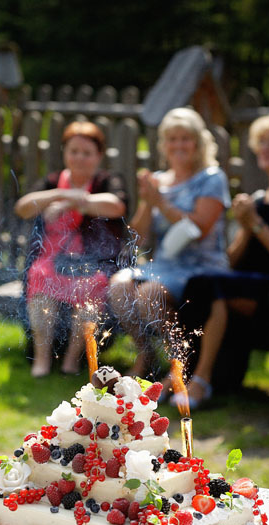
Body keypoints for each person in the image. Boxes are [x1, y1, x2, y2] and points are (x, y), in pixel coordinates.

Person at [176, 111, 269, 409]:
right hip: (250, 282)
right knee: (201, 285)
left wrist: (256, 223)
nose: (265, 149)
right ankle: (192, 375)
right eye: (262, 143)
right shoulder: (259, 198)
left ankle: (201, 379)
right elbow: (232, 262)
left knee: (212, 286)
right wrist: (247, 226)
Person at [109, 107, 231, 380]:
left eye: (185, 138)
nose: (178, 144)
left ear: (198, 142)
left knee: (148, 294)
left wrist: (160, 203)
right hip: (164, 264)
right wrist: (146, 201)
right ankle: (146, 354)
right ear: (164, 144)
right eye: (172, 138)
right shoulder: (159, 181)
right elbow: (139, 238)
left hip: (201, 264)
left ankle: (180, 363)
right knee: (118, 286)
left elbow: (198, 228)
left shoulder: (211, 178)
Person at [14, 121, 128, 378]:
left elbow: (116, 206)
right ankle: (41, 359)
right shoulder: (54, 181)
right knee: (40, 276)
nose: (79, 158)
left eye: (86, 153)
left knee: (93, 283)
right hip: (51, 259)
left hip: (92, 261)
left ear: (98, 156)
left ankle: (72, 359)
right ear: (65, 152)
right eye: (74, 151)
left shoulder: (106, 181)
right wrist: (59, 194)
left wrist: (73, 202)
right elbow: (23, 207)